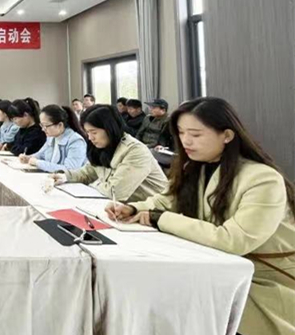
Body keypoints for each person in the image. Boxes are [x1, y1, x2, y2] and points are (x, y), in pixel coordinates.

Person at [106, 97, 295, 335]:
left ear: (227, 135)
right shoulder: (194, 167)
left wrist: (159, 218)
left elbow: (233, 240)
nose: (186, 140)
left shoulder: (262, 179)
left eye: (195, 134)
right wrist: (133, 208)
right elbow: (166, 201)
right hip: (216, 268)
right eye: (181, 132)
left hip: (264, 282)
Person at [48, 105, 167, 202]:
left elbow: (115, 192)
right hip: (123, 209)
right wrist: (65, 176)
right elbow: (88, 172)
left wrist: (93, 185)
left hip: (154, 213)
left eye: (94, 132)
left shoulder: (135, 151)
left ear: (110, 128)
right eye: (88, 132)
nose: (90, 138)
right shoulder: (103, 146)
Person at [21, 104, 87, 172]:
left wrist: (38, 163)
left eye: (46, 126)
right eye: (41, 125)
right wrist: (28, 158)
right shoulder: (51, 137)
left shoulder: (75, 141)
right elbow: (40, 155)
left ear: (60, 125)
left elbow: (70, 170)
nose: (43, 129)